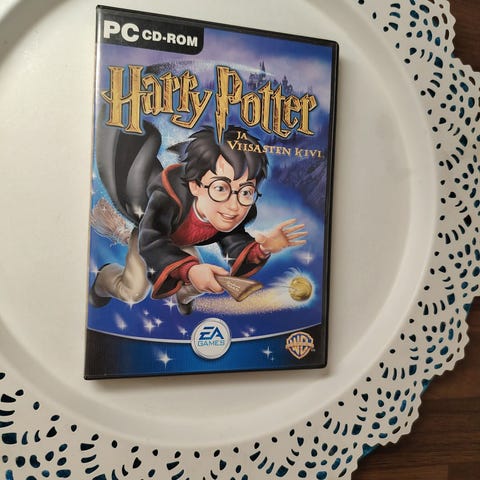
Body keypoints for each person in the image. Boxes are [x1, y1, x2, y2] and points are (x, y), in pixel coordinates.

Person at [90, 125, 307, 314]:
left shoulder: (231, 212)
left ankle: (183, 297)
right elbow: (152, 239)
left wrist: (263, 248)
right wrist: (190, 270)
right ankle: (104, 279)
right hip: (152, 238)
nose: (234, 206)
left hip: (182, 242)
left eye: (246, 191)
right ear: (195, 186)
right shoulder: (167, 200)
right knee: (133, 292)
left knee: (200, 281)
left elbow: (236, 242)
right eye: (220, 188)